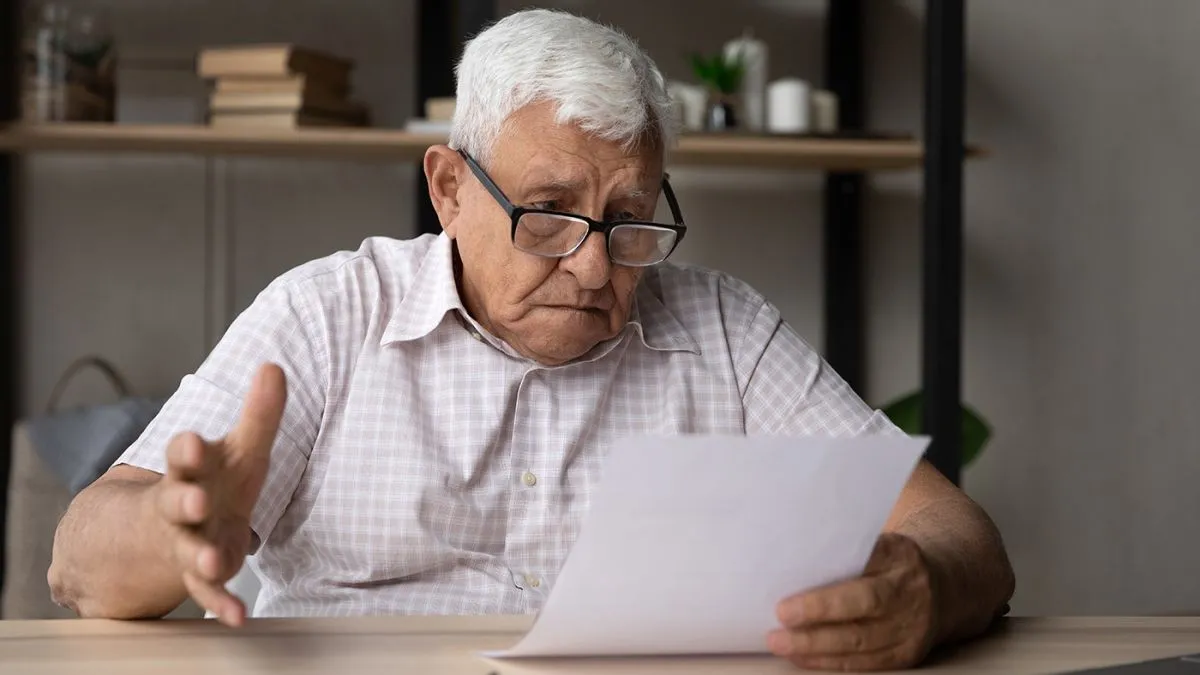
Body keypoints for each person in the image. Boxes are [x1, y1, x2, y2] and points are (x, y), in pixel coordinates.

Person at [47, 8, 1014, 671]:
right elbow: (79, 560)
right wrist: (172, 533)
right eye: (547, 215)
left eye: (629, 219)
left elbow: (957, 532)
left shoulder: (723, 328)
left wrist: (920, 585)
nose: (596, 268)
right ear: (451, 190)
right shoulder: (329, 314)